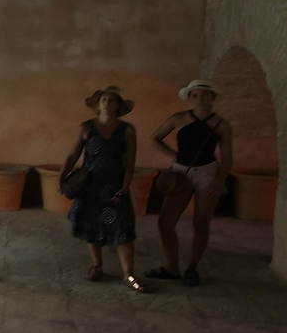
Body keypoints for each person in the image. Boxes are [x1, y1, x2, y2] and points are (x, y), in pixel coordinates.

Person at [146, 79, 233, 286]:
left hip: (207, 173)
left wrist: (220, 180)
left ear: (212, 98)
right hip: (180, 173)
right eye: (195, 95)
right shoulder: (179, 118)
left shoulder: (221, 124)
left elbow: (227, 158)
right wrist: (175, 155)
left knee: (201, 222)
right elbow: (154, 138)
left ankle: (192, 268)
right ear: (190, 98)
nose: (199, 98)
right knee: (165, 222)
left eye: (204, 94)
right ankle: (172, 267)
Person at [59, 86, 144, 289]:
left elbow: (130, 161)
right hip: (90, 184)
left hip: (115, 185)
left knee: (123, 228)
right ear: (98, 105)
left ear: (118, 105)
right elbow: (73, 155)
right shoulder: (86, 127)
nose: (106, 103)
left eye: (111, 100)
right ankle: (97, 265)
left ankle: (128, 274)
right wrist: (61, 177)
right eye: (103, 99)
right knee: (91, 224)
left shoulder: (127, 130)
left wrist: (126, 183)